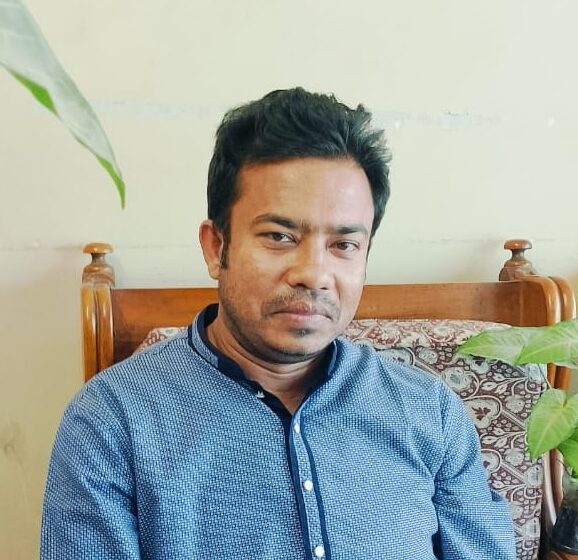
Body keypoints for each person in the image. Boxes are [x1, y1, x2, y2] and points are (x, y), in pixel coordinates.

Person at [41, 88, 516, 559]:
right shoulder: (111, 421)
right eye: (279, 236)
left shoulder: (428, 410)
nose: (313, 273)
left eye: (344, 245)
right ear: (216, 247)